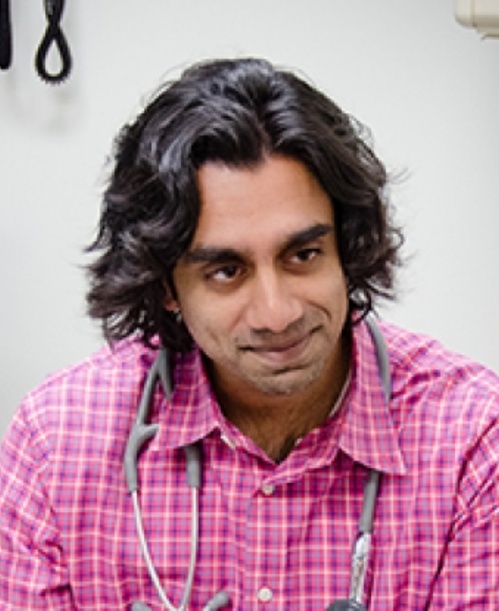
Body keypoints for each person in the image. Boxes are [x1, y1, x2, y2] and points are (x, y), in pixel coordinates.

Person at [0, 57, 498, 611]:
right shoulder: (58, 441)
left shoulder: (471, 440)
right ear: (165, 284)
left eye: (303, 255)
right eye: (226, 271)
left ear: (347, 246)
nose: (276, 314)